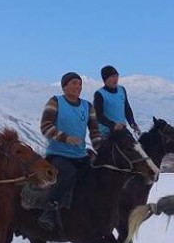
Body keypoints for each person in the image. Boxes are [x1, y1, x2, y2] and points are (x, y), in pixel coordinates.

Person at [38, 72, 103, 231]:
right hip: (58, 154)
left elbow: (95, 132)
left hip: (80, 155)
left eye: (80, 84)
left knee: (98, 175)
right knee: (67, 173)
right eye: (74, 83)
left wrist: (101, 150)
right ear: (64, 86)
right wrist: (65, 138)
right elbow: (45, 127)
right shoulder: (55, 102)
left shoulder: (88, 106)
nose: (78, 87)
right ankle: (49, 209)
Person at [93, 65, 141, 139]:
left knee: (137, 148)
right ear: (105, 79)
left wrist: (132, 122)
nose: (115, 79)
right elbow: (98, 116)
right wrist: (113, 125)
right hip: (107, 133)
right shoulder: (100, 94)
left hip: (122, 130)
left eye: (116, 76)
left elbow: (126, 108)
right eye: (112, 77)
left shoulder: (121, 90)